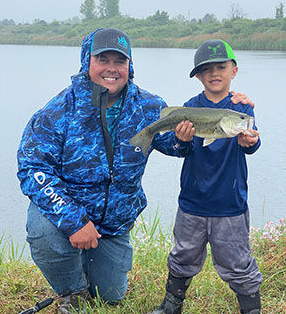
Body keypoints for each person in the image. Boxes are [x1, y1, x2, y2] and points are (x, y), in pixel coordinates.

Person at [17, 29, 253, 314]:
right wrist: (73, 220)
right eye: (103, 59)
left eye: (120, 61)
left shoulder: (147, 106)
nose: (112, 69)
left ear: (129, 65)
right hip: (70, 212)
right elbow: (32, 168)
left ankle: (90, 261)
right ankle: (72, 290)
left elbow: (175, 145)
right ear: (86, 61)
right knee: (43, 230)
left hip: (114, 224)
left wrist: (197, 127)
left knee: (111, 296)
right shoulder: (58, 111)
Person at [148, 40, 262, 314]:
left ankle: (252, 309)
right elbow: (180, 150)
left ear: (233, 70)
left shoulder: (241, 109)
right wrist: (181, 140)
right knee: (182, 256)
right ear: (197, 76)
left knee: (238, 263)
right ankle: (171, 306)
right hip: (192, 201)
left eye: (221, 67)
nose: (215, 73)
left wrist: (250, 142)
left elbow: (252, 142)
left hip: (230, 204)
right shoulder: (189, 107)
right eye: (207, 69)